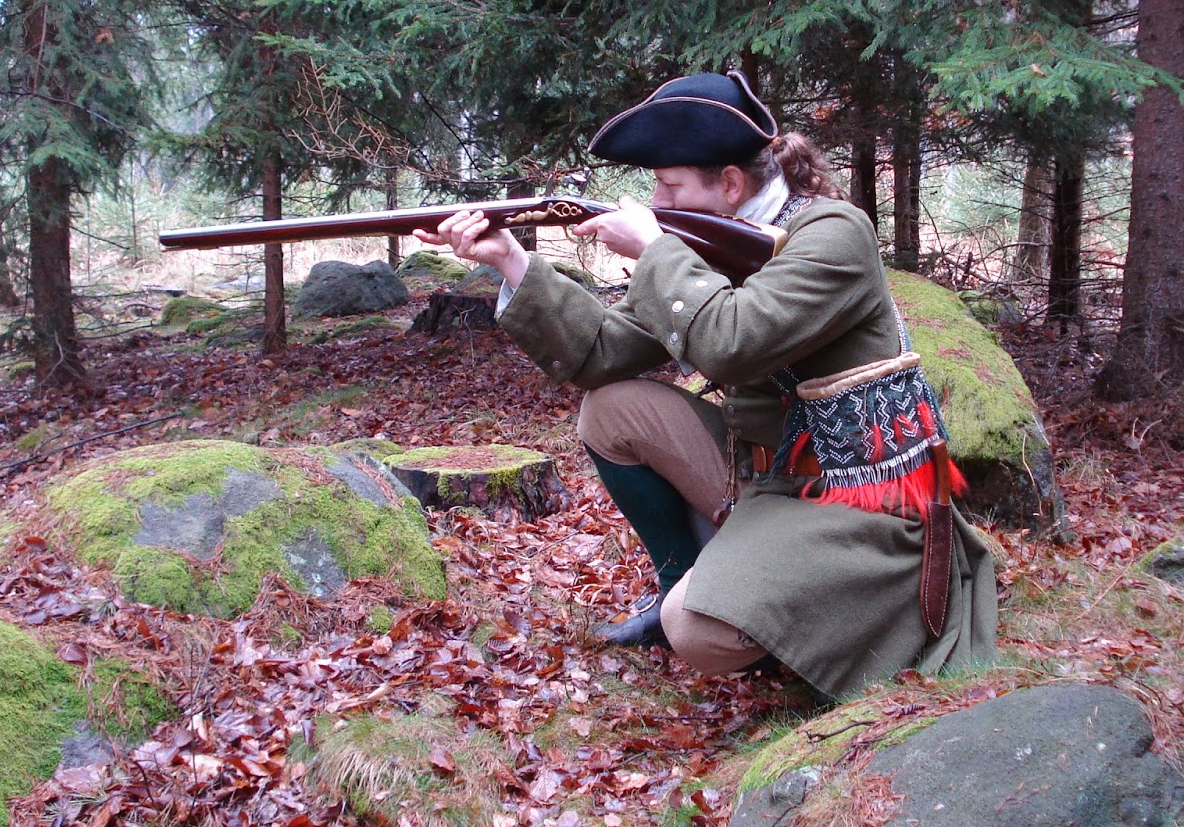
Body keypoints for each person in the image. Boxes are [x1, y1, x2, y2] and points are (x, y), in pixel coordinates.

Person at [415, 71, 996, 697]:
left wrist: (654, 251)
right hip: (762, 474)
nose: (657, 202)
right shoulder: (714, 244)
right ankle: (683, 583)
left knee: (695, 630)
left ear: (732, 184)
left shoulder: (834, 234)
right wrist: (510, 259)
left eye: (670, 186)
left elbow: (731, 342)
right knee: (610, 412)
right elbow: (602, 351)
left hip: (852, 499)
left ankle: (774, 618)